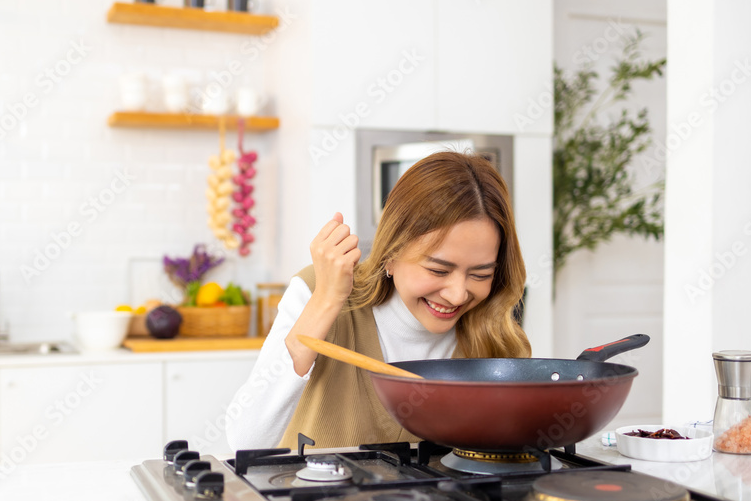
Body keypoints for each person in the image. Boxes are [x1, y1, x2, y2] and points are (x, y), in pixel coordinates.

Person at [225, 151, 530, 451]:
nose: (457, 294)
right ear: (391, 254)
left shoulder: (490, 337)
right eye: (438, 269)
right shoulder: (318, 289)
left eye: (480, 274)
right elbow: (246, 440)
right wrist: (326, 301)